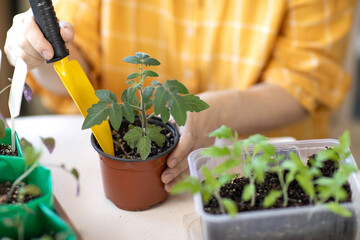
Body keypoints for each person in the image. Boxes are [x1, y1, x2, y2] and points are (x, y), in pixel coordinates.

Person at [4, 0, 356, 192]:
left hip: (252, 161)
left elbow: (305, 82)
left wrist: (217, 112)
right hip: (108, 176)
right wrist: (39, 51)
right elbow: (74, 63)